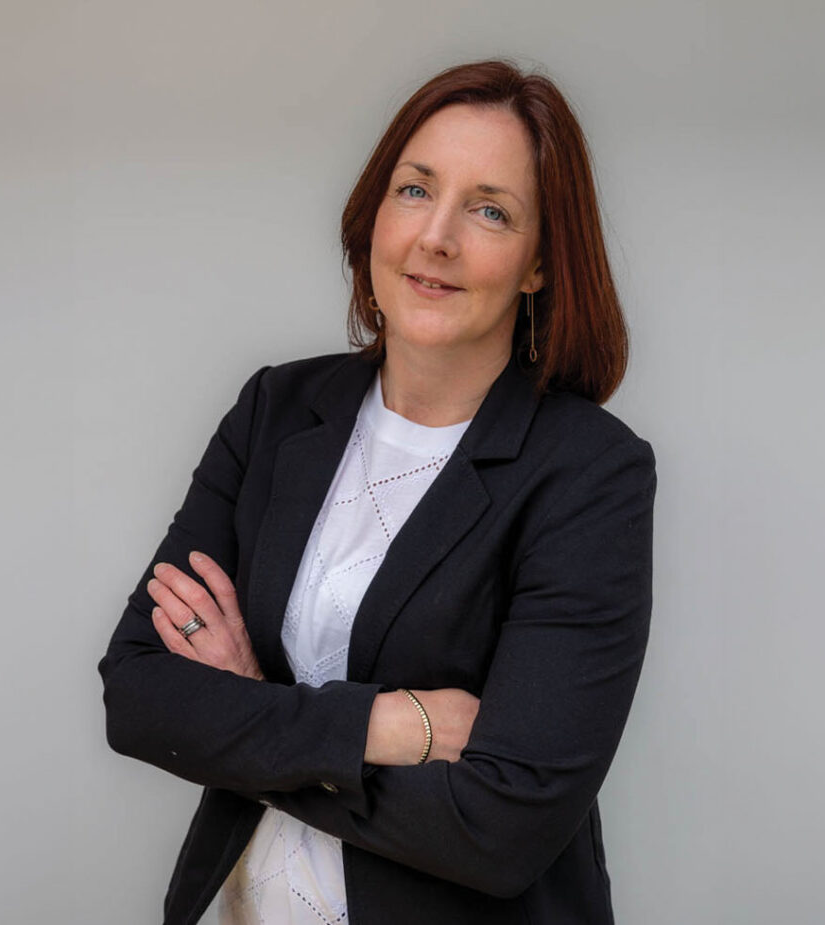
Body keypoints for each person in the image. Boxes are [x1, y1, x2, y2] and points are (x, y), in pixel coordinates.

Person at [99, 59, 656, 925]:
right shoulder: (276, 410)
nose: (436, 237)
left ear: (540, 263)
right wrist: (391, 728)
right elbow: (138, 694)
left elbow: (500, 828)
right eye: (415, 190)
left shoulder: (588, 472)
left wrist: (248, 710)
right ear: (375, 215)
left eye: (490, 210)